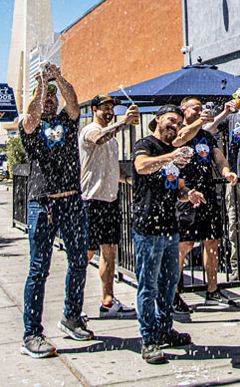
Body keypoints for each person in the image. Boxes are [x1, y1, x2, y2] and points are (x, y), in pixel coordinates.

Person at [19, 64, 92, 358]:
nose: (50, 99)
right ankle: (31, 334)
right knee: (39, 268)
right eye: (45, 97)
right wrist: (41, 87)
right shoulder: (32, 127)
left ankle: (71, 316)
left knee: (78, 261)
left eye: (53, 96)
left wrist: (58, 79)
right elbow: (31, 117)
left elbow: (74, 105)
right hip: (43, 204)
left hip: (72, 202)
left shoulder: (67, 120)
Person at [132, 105, 205, 364]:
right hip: (147, 229)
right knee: (148, 286)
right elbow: (141, 167)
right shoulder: (146, 144)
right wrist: (171, 156)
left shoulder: (176, 153)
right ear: (158, 120)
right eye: (170, 120)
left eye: (178, 123)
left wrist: (190, 195)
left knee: (168, 284)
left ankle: (165, 329)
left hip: (170, 228)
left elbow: (179, 188)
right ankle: (149, 339)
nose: (174, 125)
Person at [170, 96, 238, 316]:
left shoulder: (207, 137)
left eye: (202, 108)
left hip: (207, 194)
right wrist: (199, 122)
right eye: (195, 108)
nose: (200, 111)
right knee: (185, 245)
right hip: (186, 195)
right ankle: (173, 293)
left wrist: (226, 172)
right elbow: (179, 140)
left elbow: (218, 158)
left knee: (212, 242)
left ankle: (213, 289)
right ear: (183, 110)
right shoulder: (178, 132)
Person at [79, 94, 138, 319]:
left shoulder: (113, 138)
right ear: (94, 109)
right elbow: (98, 138)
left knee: (110, 252)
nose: (109, 111)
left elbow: (115, 170)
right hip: (90, 201)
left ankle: (108, 301)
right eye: (105, 108)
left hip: (110, 200)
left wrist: (131, 180)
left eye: (111, 108)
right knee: (85, 254)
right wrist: (122, 122)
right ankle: (73, 304)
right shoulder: (89, 130)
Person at [204, 89, 240, 279]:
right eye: (235, 95)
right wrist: (225, 112)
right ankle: (238, 269)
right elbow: (209, 129)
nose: (237, 98)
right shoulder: (230, 119)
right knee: (235, 224)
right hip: (234, 177)